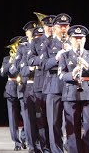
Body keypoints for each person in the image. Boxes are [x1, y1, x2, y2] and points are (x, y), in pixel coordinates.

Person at [58, 25, 89, 153]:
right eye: (76, 38)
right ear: (70, 39)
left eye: (81, 38)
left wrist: (87, 65)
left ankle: (88, 150)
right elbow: (61, 75)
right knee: (72, 125)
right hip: (71, 92)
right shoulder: (65, 56)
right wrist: (73, 73)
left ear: (85, 39)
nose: (79, 41)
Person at [40, 13, 72, 153]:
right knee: (54, 123)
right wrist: (58, 57)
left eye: (66, 26)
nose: (64, 29)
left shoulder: (74, 42)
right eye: (61, 26)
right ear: (55, 28)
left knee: (71, 122)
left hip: (70, 86)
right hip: (53, 87)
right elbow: (43, 64)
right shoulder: (48, 43)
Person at [26, 15, 57, 153]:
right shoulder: (36, 41)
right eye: (47, 26)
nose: (50, 29)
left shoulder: (59, 41)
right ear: (43, 27)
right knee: (42, 118)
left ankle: (56, 146)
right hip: (40, 84)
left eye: (52, 26)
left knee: (55, 119)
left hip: (56, 83)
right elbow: (30, 60)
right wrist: (43, 60)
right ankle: (45, 147)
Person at [13, 20, 42, 153]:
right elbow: (19, 67)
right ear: (27, 33)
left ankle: (43, 144)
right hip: (28, 86)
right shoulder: (22, 47)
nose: (35, 33)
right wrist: (31, 68)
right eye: (32, 31)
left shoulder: (44, 46)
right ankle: (32, 146)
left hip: (42, 85)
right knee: (29, 119)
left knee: (42, 118)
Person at [0, 35, 27, 151]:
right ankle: (16, 142)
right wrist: (11, 61)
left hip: (24, 88)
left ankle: (25, 138)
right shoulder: (7, 59)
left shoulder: (26, 57)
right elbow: (3, 73)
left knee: (26, 116)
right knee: (12, 118)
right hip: (11, 89)